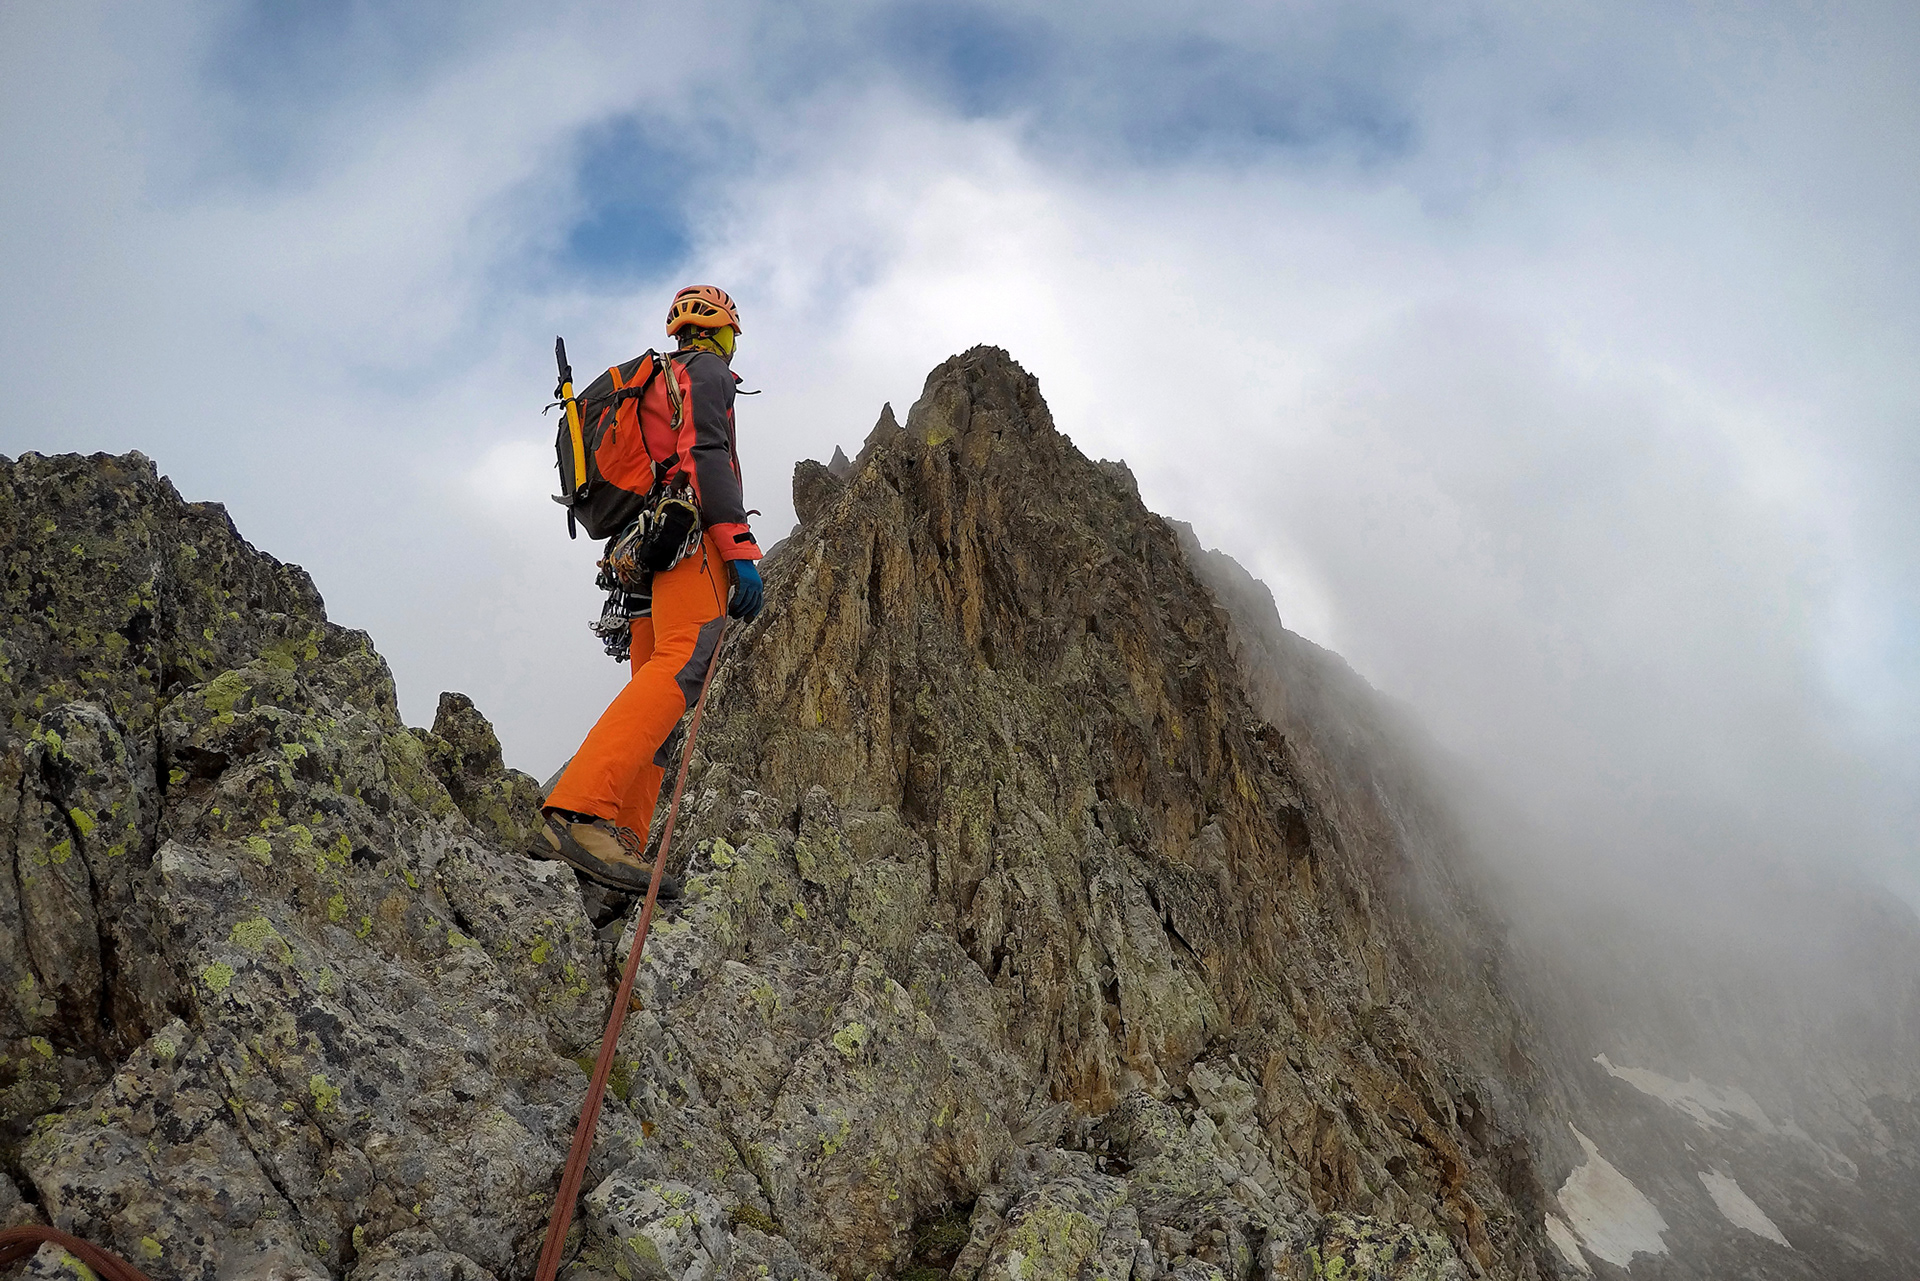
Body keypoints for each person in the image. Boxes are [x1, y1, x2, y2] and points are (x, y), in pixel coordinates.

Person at [540, 285, 764, 891]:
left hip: (640, 551)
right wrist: (740, 550)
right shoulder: (708, 371)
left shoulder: (656, 377)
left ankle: (619, 843)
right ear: (723, 330)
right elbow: (708, 456)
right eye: (733, 334)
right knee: (683, 664)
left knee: (655, 689)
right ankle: (581, 809)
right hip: (684, 539)